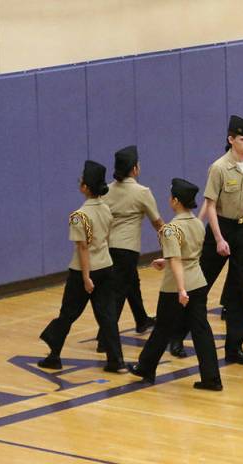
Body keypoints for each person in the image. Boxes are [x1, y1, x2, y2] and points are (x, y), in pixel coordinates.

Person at [172, 115, 243, 365]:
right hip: (220, 229)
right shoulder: (219, 167)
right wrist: (219, 238)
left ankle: (234, 347)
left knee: (238, 290)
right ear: (231, 139)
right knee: (200, 286)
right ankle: (177, 336)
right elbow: (210, 205)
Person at [127, 178, 223, 391]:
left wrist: (180, 289)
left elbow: (178, 260)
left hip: (176, 287)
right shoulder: (198, 223)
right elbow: (187, 254)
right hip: (198, 282)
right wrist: (166, 260)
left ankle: (146, 367)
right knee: (201, 330)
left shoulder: (171, 229)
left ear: (176, 201)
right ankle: (212, 378)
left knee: (162, 328)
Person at [39, 161, 125, 373]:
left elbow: (83, 248)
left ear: (85, 188)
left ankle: (54, 352)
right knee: (107, 316)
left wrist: (86, 277)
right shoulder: (106, 208)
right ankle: (116, 361)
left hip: (83, 271)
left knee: (68, 313)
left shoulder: (79, 216)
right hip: (106, 266)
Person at [99, 146, 163, 354]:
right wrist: (171, 239)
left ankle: (141, 319)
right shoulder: (142, 192)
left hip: (109, 247)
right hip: (128, 249)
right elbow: (157, 222)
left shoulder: (106, 191)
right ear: (135, 169)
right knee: (118, 293)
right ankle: (104, 338)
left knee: (130, 283)